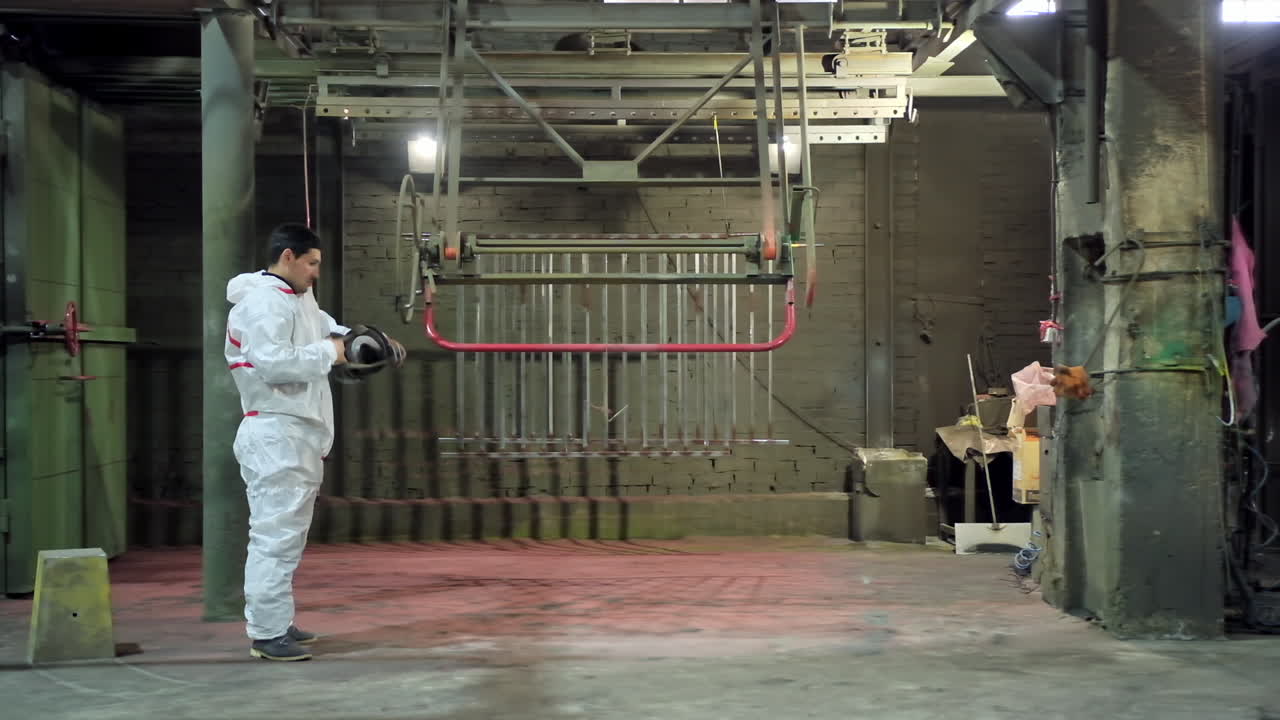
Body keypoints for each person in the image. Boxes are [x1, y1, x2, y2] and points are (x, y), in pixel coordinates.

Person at [224, 222, 404, 661]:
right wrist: (332, 352)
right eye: (311, 263)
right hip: (276, 433)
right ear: (287, 257)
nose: (315, 272)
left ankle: (277, 622)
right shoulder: (264, 305)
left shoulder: (297, 299)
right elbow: (273, 365)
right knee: (274, 537)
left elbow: (330, 331)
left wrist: (369, 344)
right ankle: (266, 634)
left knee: (286, 537)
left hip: (294, 434)